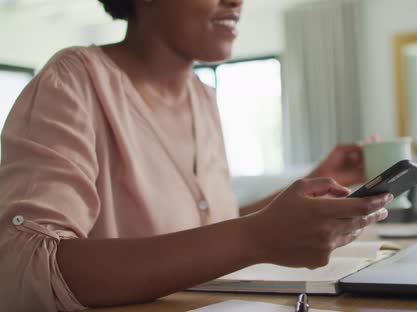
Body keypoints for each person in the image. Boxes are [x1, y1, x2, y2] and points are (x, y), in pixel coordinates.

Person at [0, 0, 393, 311]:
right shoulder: (72, 81)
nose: (236, 1)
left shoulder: (204, 98)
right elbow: (26, 268)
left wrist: (316, 179)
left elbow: (213, 227)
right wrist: (257, 236)